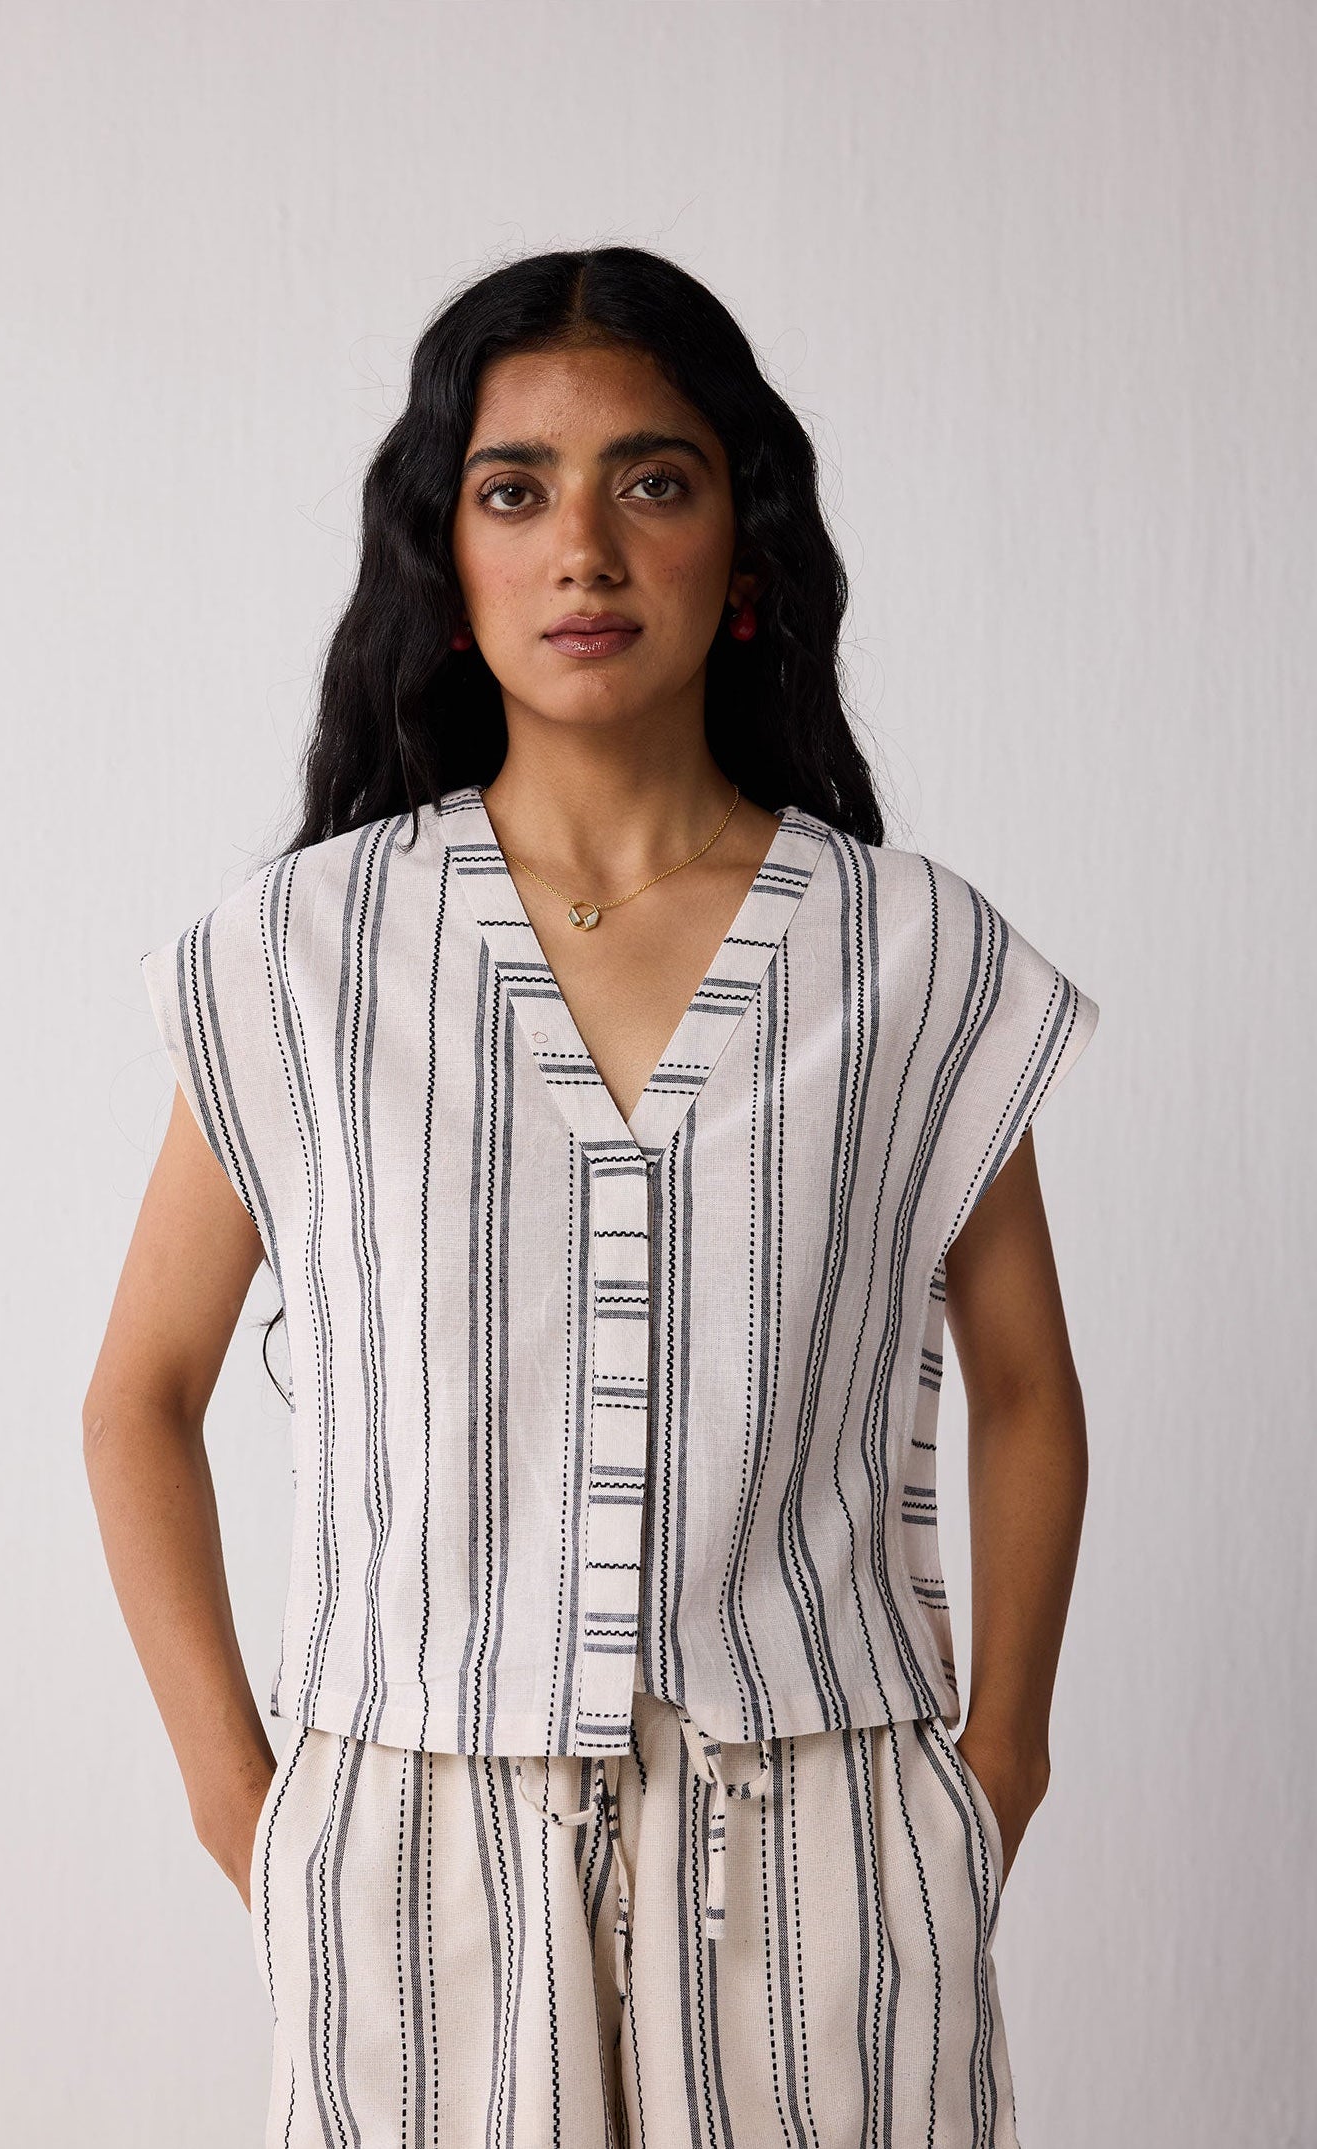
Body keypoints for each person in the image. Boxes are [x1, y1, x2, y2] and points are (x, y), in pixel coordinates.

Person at [85, 245, 1100, 2149]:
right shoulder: (305, 955)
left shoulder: (908, 954)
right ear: (444, 569)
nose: (586, 546)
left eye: (654, 477)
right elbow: (140, 1392)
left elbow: (1029, 1386)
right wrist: (255, 1803)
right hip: (415, 1842)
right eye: (514, 488)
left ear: (745, 550)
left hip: (826, 1832)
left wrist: (997, 1770)